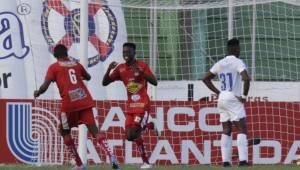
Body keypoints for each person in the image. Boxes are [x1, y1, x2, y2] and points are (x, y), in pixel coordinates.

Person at [34, 44, 121, 170]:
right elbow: (88, 77)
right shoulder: (77, 64)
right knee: (95, 130)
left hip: (69, 104)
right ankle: (112, 155)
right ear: (67, 53)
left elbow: (44, 86)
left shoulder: (54, 67)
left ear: (55, 55)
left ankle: (79, 164)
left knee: (64, 131)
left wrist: (38, 92)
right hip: (84, 100)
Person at [102, 42, 158, 169]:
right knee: (129, 137)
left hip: (143, 105)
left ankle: (146, 163)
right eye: (124, 52)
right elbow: (105, 83)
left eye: (128, 52)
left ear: (134, 53)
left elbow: (155, 82)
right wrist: (109, 69)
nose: (126, 54)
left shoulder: (142, 65)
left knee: (135, 132)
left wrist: (142, 73)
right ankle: (150, 125)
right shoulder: (121, 68)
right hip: (130, 107)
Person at [202, 38, 250, 167]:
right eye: (238, 48)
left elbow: (205, 79)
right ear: (234, 48)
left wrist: (218, 93)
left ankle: (225, 162)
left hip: (222, 97)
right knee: (242, 129)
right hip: (234, 98)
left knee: (226, 129)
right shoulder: (238, 62)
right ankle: (243, 161)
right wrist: (244, 96)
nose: (239, 50)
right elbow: (246, 78)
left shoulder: (220, 63)